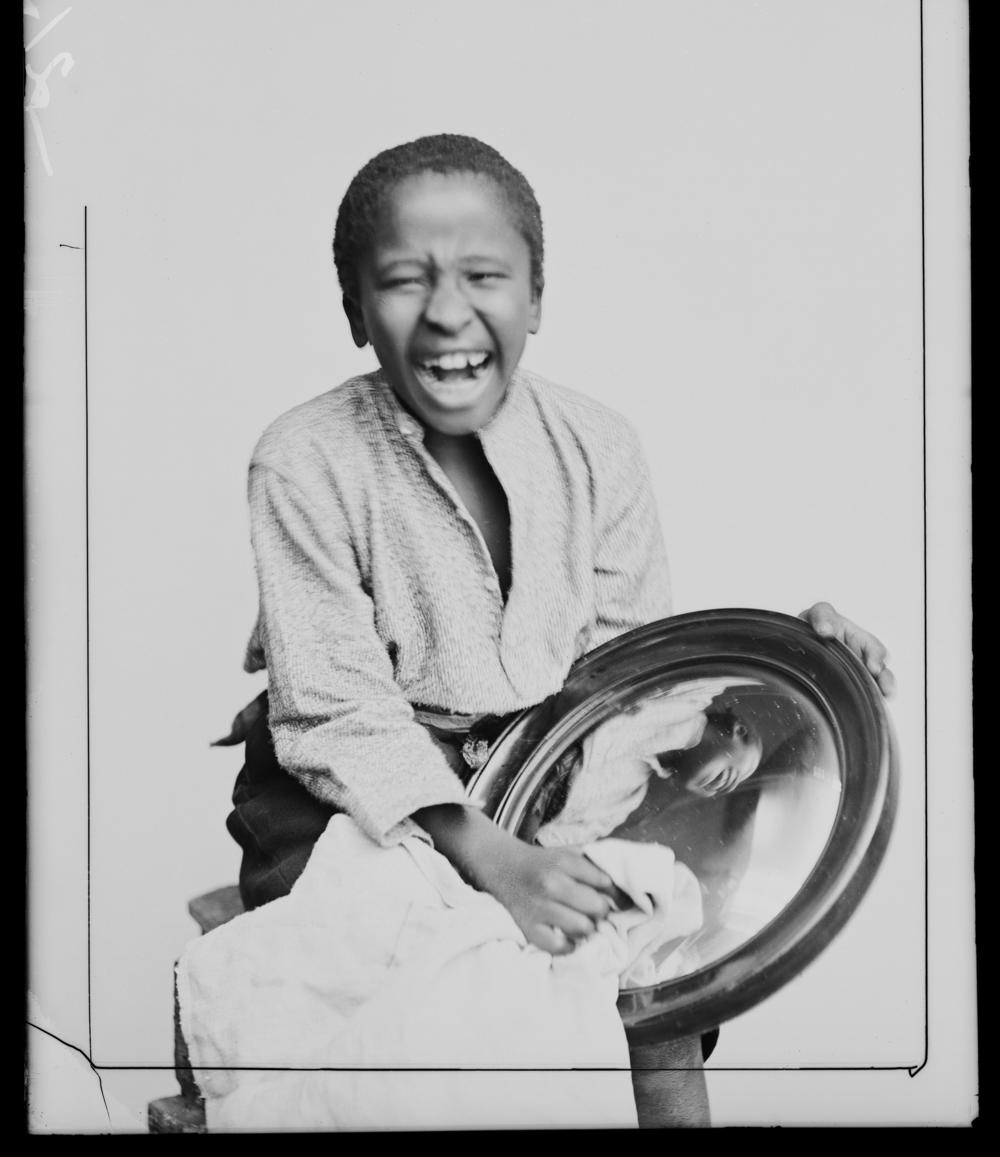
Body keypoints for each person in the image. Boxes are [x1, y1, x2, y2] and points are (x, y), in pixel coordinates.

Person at [223, 133, 895, 1128]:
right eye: (404, 279)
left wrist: (775, 671)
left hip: (553, 772)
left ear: (536, 296)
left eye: (485, 276)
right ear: (355, 311)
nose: (449, 310)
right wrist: (495, 862)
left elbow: (629, 681)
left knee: (644, 996)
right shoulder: (302, 459)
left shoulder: (599, 446)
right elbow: (334, 708)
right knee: (445, 985)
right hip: (348, 798)